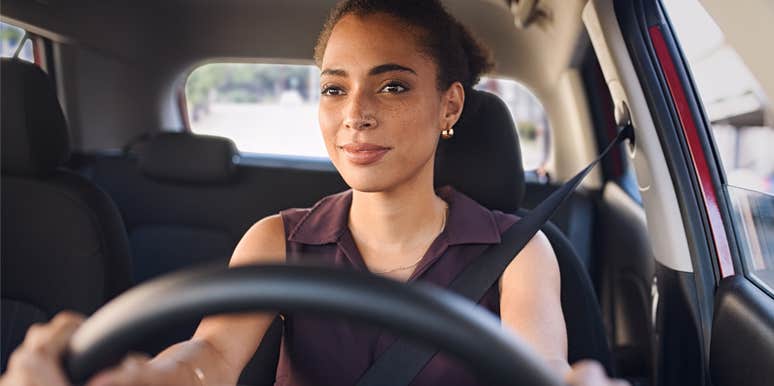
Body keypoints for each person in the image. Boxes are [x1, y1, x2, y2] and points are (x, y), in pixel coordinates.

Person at [0, 1, 628, 385]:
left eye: (392, 87)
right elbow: (209, 356)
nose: (354, 114)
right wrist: (144, 379)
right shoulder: (277, 238)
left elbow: (539, 371)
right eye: (334, 88)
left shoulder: (519, 253)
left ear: (450, 104)